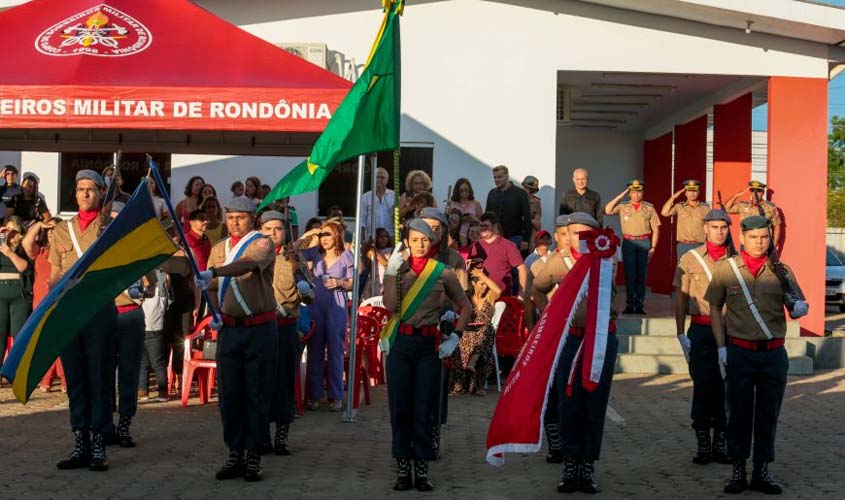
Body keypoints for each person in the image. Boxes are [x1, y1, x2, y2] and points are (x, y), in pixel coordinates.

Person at [704, 215, 807, 495]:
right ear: (742, 238)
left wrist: (799, 306)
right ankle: (738, 471)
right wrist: (721, 346)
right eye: (753, 237)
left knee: (767, 414)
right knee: (737, 413)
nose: (759, 242)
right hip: (739, 353)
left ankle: (762, 471)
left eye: (764, 237)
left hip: (773, 355)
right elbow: (714, 306)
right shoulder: (727, 269)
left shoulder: (781, 270)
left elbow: (796, 300)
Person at [383, 219, 471, 492]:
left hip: (429, 346)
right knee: (400, 406)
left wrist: (456, 336)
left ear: (432, 241)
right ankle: (402, 466)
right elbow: (390, 306)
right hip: (400, 343)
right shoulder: (399, 269)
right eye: (415, 239)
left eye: (425, 239)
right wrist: (389, 273)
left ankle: (421, 468)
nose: (420, 244)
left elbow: (464, 306)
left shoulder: (442, 272)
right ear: (406, 241)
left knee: (424, 407)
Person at [194, 196, 278, 482]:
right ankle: (235, 453)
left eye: (241, 217)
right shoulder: (218, 249)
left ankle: (254, 455)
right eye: (230, 217)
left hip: (259, 329)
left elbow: (245, 266)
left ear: (253, 218)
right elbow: (216, 285)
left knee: (256, 393)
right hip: (229, 329)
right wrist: (206, 285)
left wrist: (214, 272)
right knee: (229, 395)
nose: (235, 222)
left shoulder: (263, 243)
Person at [52, 170, 117, 471]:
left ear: (102, 193)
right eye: (80, 189)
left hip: (98, 310)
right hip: (68, 312)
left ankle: (100, 445)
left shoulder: (110, 227)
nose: (85, 194)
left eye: (91, 189)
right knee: (76, 379)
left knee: (99, 377)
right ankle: (80, 442)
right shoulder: (61, 231)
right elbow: (55, 275)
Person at [553, 212, 618, 495]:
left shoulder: (607, 258)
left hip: (601, 338)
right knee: (568, 403)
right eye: (572, 233)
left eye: (583, 234)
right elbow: (537, 290)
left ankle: (587, 465)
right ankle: (570, 464)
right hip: (569, 340)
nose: (577, 239)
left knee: (594, 401)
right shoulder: (557, 263)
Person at [673, 209, 732, 466]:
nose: (720, 231)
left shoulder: (736, 260)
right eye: (715, 226)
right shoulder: (690, 259)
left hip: (731, 332)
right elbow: (681, 297)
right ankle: (703, 444)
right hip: (701, 329)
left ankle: (721, 442)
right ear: (705, 228)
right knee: (703, 386)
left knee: (726, 388)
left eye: (724, 227)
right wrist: (679, 332)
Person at [259, 210, 313, 456]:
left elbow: (310, 296)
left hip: (285, 328)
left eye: (278, 229)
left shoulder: (294, 259)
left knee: (284, 383)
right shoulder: (253, 258)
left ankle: (282, 436)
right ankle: (261, 436)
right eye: (268, 229)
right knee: (260, 384)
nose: (273, 233)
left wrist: (304, 289)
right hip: (260, 329)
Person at [294, 221, 354, 412]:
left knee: (335, 350)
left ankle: (336, 396)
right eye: (321, 235)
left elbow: (354, 283)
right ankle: (314, 394)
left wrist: (340, 282)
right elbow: (292, 252)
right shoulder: (315, 253)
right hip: (316, 304)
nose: (324, 239)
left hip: (336, 303)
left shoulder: (346, 255)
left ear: (336, 235)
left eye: (327, 234)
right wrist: (309, 233)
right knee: (315, 350)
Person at [530, 216, 573, 463]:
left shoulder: (585, 261)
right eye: (564, 234)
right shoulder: (543, 264)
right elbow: (532, 296)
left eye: (573, 233)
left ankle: (569, 440)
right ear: (557, 236)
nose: (569, 238)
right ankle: (555, 442)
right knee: (552, 392)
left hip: (575, 332)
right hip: (552, 333)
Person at [108, 201, 149, 449]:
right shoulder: (98, 249)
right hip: (103, 315)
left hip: (130, 314)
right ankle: (105, 426)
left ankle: (124, 425)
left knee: (128, 373)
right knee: (102, 373)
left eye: (118, 218)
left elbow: (151, 283)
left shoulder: (138, 248)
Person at [604, 179, 661, 315]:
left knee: (641, 275)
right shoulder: (623, 206)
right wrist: (620, 196)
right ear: (629, 193)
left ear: (643, 192)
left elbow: (656, 228)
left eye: (639, 191)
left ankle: (639, 304)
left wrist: (653, 247)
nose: (636, 195)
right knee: (630, 274)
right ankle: (630, 304)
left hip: (644, 242)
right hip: (629, 242)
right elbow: (607, 210)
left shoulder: (649, 208)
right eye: (633, 192)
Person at [23, 217, 66, 392]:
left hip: (61, 300)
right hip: (41, 301)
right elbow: (26, 243)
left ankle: (65, 378)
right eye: (49, 232)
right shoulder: (40, 251)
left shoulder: (66, 252)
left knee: (61, 339)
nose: (52, 234)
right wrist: (39, 225)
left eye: (55, 231)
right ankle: (46, 377)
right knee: (43, 340)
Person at [450, 267, 501, 396]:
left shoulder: (489, 297)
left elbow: (498, 290)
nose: (485, 287)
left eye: (486, 284)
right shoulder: (466, 296)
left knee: (486, 330)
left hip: (484, 333)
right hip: (467, 331)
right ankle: (462, 383)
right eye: (481, 284)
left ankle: (476, 379)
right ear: (473, 283)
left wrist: (482, 275)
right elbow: (454, 305)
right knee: (461, 339)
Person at [0, 216, 34, 372]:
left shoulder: (24, 248)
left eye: (13, 231)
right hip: (1, 292)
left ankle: (18, 373)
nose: (10, 235)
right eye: (7, 231)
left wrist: (10, 253)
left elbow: (23, 267)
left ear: (20, 233)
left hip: (19, 294)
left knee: (18, 335)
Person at [138, 267, 170, 403]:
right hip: (147, 329)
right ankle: (143, 390)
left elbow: (164, 279)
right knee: (145, 362)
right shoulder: (144, 293)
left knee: (156, 362)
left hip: (154, 330)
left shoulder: (159, 292)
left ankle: (162, 391)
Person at [477, 212, 526, 297]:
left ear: (495, 226)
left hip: (503, 299)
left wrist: (521, 293)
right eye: (481, 226)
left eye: (486, 226)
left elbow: (522, 269)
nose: (482, 228)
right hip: (481, 299)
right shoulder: (476, 246)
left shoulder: (508, 245)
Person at [484, 165, 532, 253]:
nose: (497, 180)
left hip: (514, 238)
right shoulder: (492, 194)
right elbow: (487, 217)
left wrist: (526, 239)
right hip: (495, 237)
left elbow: (527, 217)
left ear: (507, 176)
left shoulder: (520, 193)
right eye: (495, 177)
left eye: (500, 177)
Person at [661, 179, 710, 259]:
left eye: (694, 191)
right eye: (689, 191)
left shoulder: (705, 208)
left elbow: (710, 227)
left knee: (699, 270)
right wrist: (673, 197)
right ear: (685, 193)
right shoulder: (679, 207)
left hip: (699, 245)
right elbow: (664, 213)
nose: (692, 193)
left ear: (698, 192)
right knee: (682, 270)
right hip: (683, 246)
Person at [724, 181, 782, 246]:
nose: (755, 193)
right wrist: (736, 196)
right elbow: (726, 209)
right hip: (746, 244)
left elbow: (777, 225)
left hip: (764, 244)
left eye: (758, 191)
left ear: (763, 192)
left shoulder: (770, 207)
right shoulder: (743, 205)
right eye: (752, 190)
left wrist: (774, 244)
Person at [361, 167, 395, 240]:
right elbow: (362, 222)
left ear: (387, 180)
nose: (379, 180)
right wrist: (362, 241)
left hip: (390, 236)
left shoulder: (394, 195)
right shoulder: (365, 197)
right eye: (377, 177)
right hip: (372, 237)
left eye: (382, 177)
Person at [522, 176, 542, 250]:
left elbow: (537, 221)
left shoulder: (536, 201)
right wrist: (532, 221)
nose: (529, 191)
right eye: (528, 189)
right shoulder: (516, 199)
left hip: (531, 231)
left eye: (532, 190)